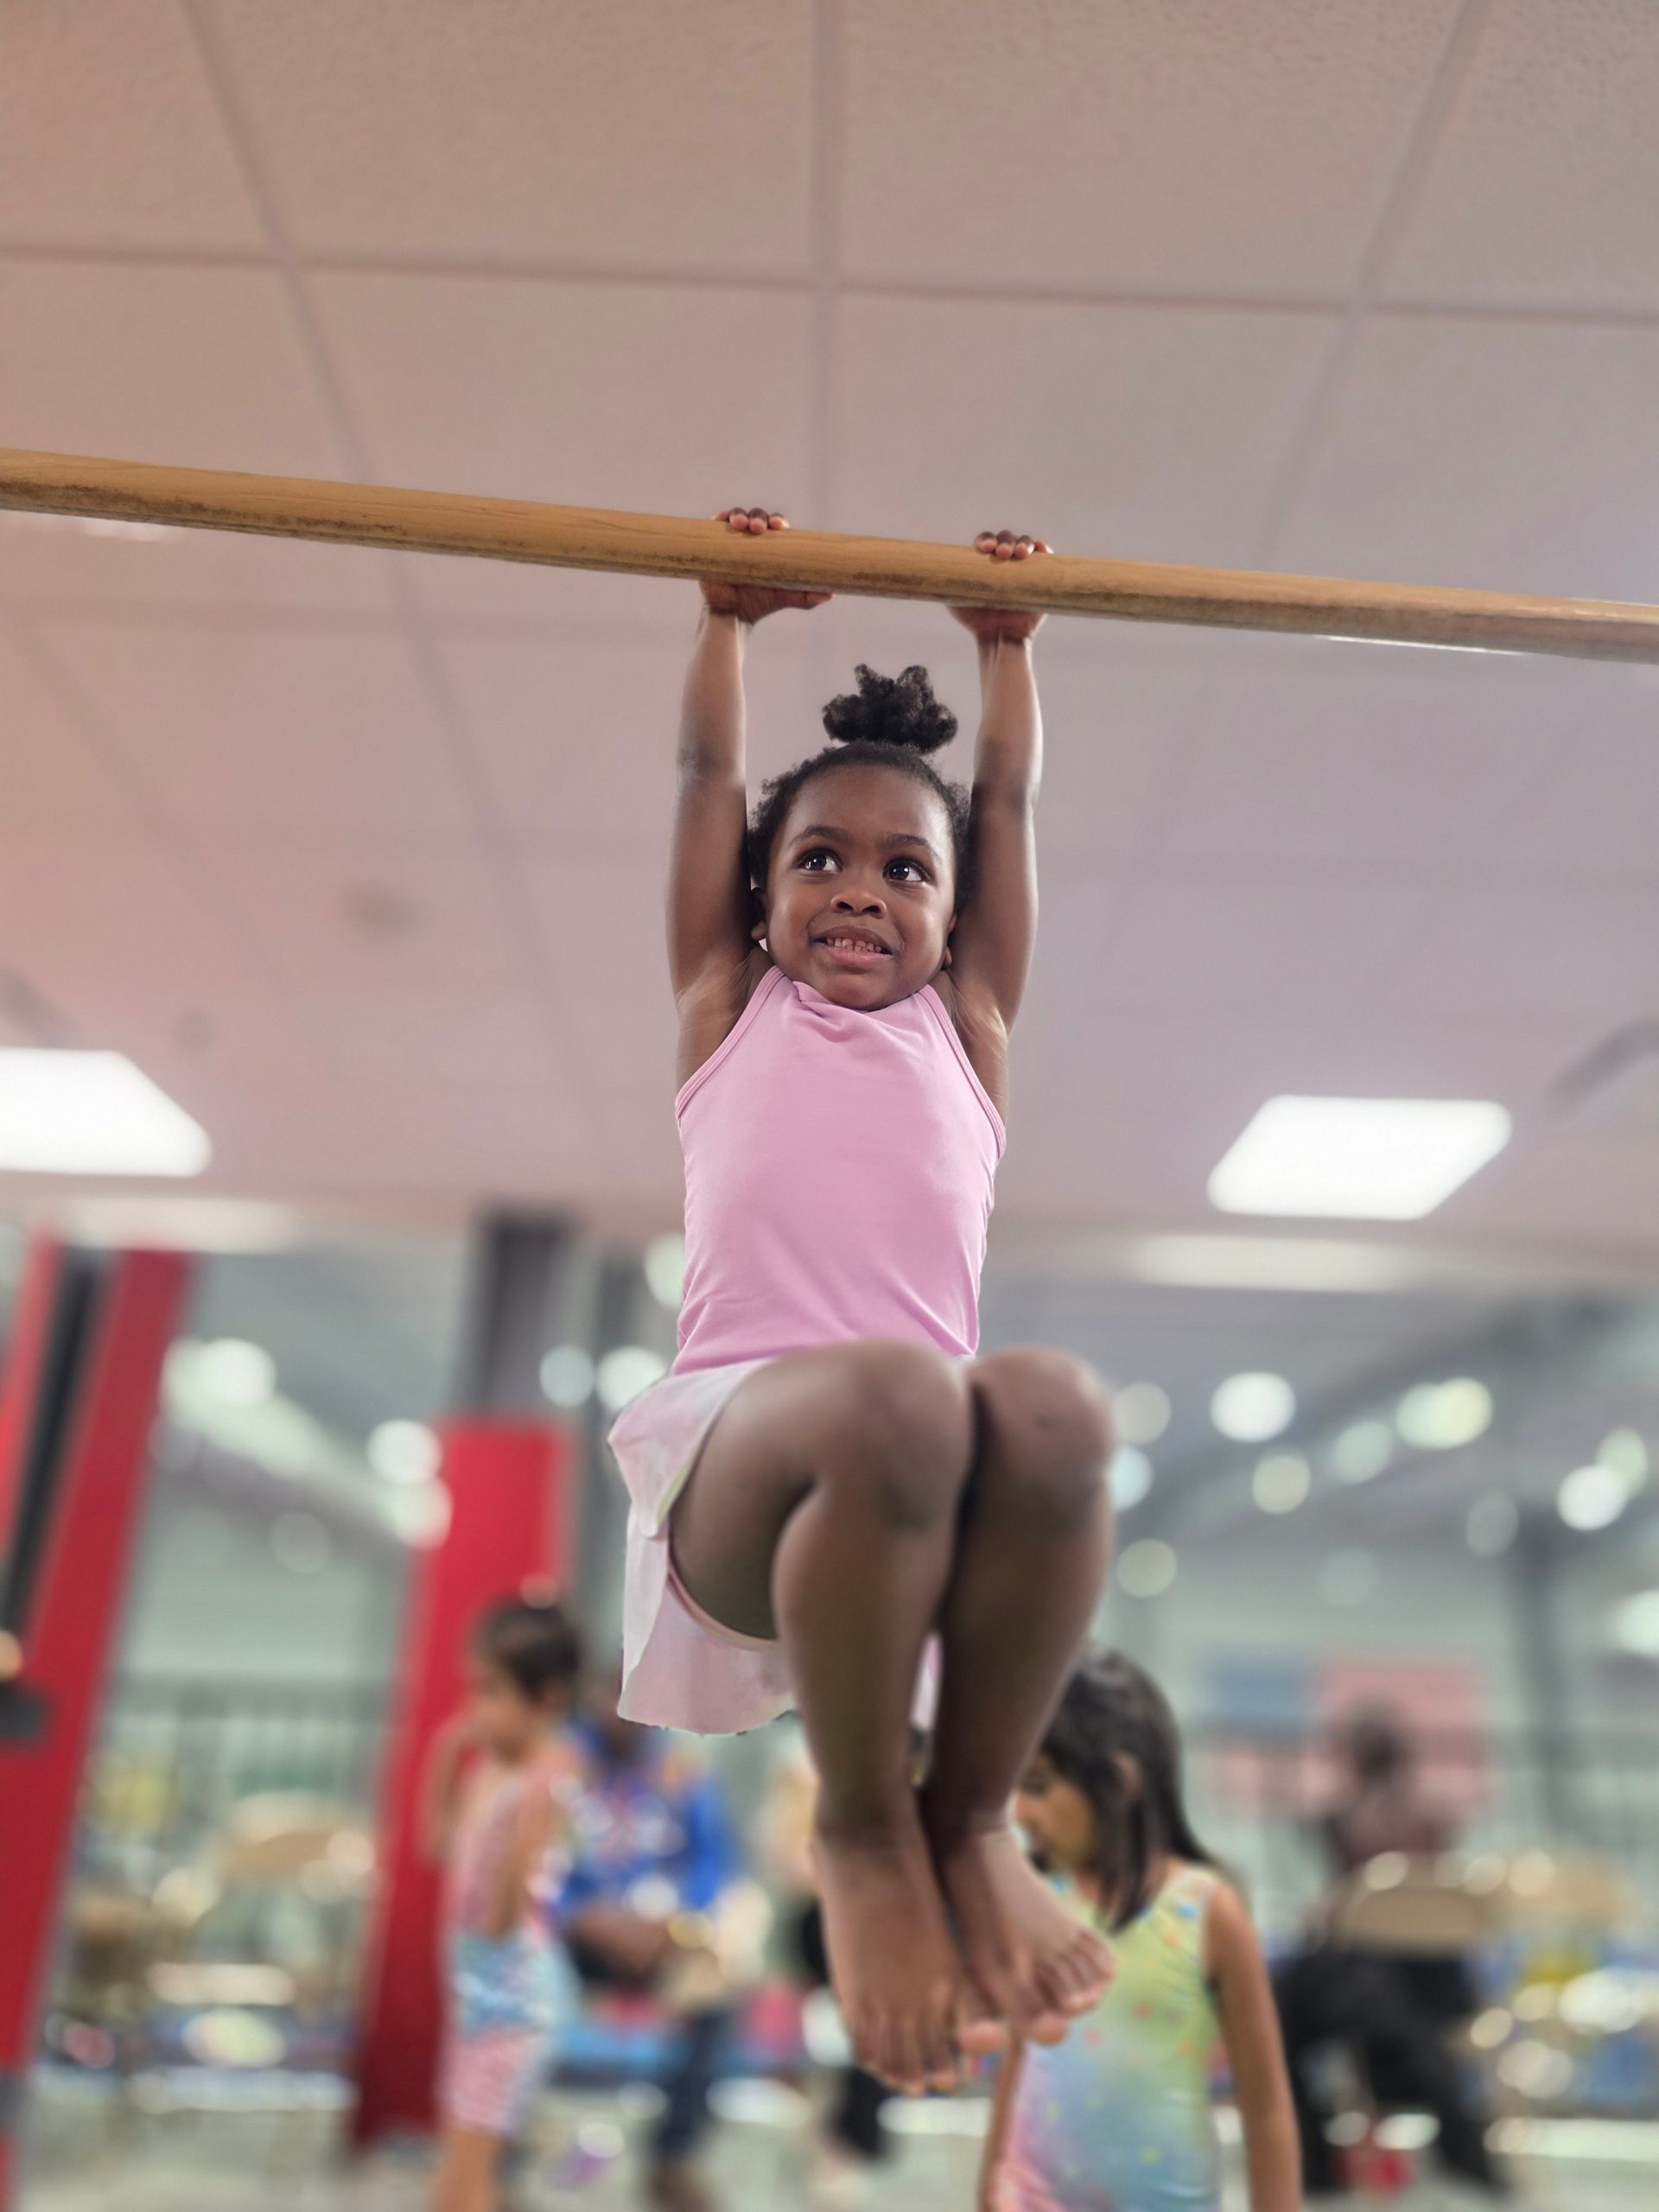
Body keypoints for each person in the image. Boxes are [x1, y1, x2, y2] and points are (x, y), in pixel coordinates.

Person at [607, 506, 1117, 2095]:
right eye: (814, 859)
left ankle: (967, 1817)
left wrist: (1009, 647)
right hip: (740, 1475)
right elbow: (703, 783)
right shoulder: (723, 1008)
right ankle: (860, 1830)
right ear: (756, 897)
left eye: (906, 869)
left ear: (955, 918)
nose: (856, 889)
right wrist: (725, 627)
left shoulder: (968, 1026)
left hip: (920, 1498)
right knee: (903, 1385)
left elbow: (1011, 795)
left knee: (1051, 1403)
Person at [981, 1649, 1300, 2212]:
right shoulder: (1036, 1903)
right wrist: (989, 2189)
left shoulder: (1206, 1911)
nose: (1021, 1813)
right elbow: (1018, 2057)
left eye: (1038, 1785)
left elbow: (1266, 2103)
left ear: (1118, 1780)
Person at [1274, 1707, 1506, 2199]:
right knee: (1316, 1990)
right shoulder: (1433, 1818)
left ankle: (1315, 2159)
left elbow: (1337, 1915)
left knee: (1288, 1997)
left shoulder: (1345, 1820)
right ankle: (1448, 2123)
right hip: (1432, 1987)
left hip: (1377, 1985)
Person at [554, 1674, 751, 2212]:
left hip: (662, 1938)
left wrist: (675, 1923)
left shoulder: (681, 1767)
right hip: (574, 1939)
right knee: (524, 1991)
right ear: (591, 1696)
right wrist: (579, 1914)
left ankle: (674, 2157)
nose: (623, 1710)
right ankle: (503, 2154)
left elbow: (714, 1862)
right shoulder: (562, 1761)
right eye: (610, 1693)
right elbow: (532, 1862)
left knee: (718, 2003)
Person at [422, 1594, 584, 2212]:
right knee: (465, 2174)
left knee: (459, 2184)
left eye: (491, 1692)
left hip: (512, 2000)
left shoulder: (546, 1777)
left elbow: (502, 1915)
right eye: (473, 1689)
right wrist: (443, 1758)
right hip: (476, 1993)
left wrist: (534, 1814)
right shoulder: (486, 1769)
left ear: (545, 1701)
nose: (475, 1709)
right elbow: (437, 1846)